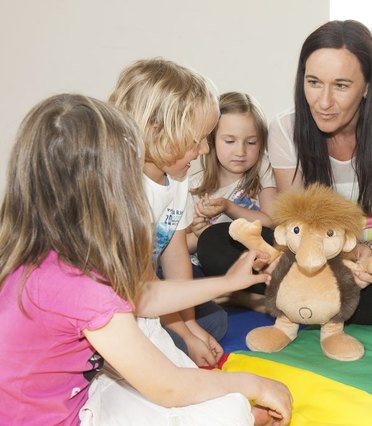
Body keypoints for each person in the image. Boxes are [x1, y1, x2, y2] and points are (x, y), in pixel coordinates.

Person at [0, 94, 292, 425]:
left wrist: (227, 283)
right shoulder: (77, 282)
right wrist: (255, 384)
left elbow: (144, 297)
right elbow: (168, 387)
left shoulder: (49, 253)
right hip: (63, 416)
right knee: (229, 410)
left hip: (77, 394)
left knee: (221, 405)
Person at [267, 19, 372, 325]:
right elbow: (295, 225)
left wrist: (366, 251)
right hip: (313, 253)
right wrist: (325, 265)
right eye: (313, 82)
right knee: (219, 243)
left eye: (341, 86)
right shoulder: (284, 127)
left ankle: (303, 307)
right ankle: (312, 303)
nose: (323, 102)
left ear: (368, 85)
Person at [108, 58, 226, 367]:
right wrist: (185, 334)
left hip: (154, 282)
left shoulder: (178, 177)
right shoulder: (126, 188)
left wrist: (192, 324)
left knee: (215, 322)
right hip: (125, 293)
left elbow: (175, 254)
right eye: (194, 140)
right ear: (155, 131)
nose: (204, 150)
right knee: (163, 346)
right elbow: (145, 289)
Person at [189, 92, 276, 284]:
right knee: (207, 246)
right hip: (213, 264)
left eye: (251, 142)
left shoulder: (262, 167)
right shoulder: (196, 186)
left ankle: (235, 295)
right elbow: (179, 246)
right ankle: (233, 295)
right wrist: (200, 235)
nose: (241, 151)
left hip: (255, 257)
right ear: (211, 141)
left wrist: (229, 207)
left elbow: (270, 222)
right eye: (229, 141)